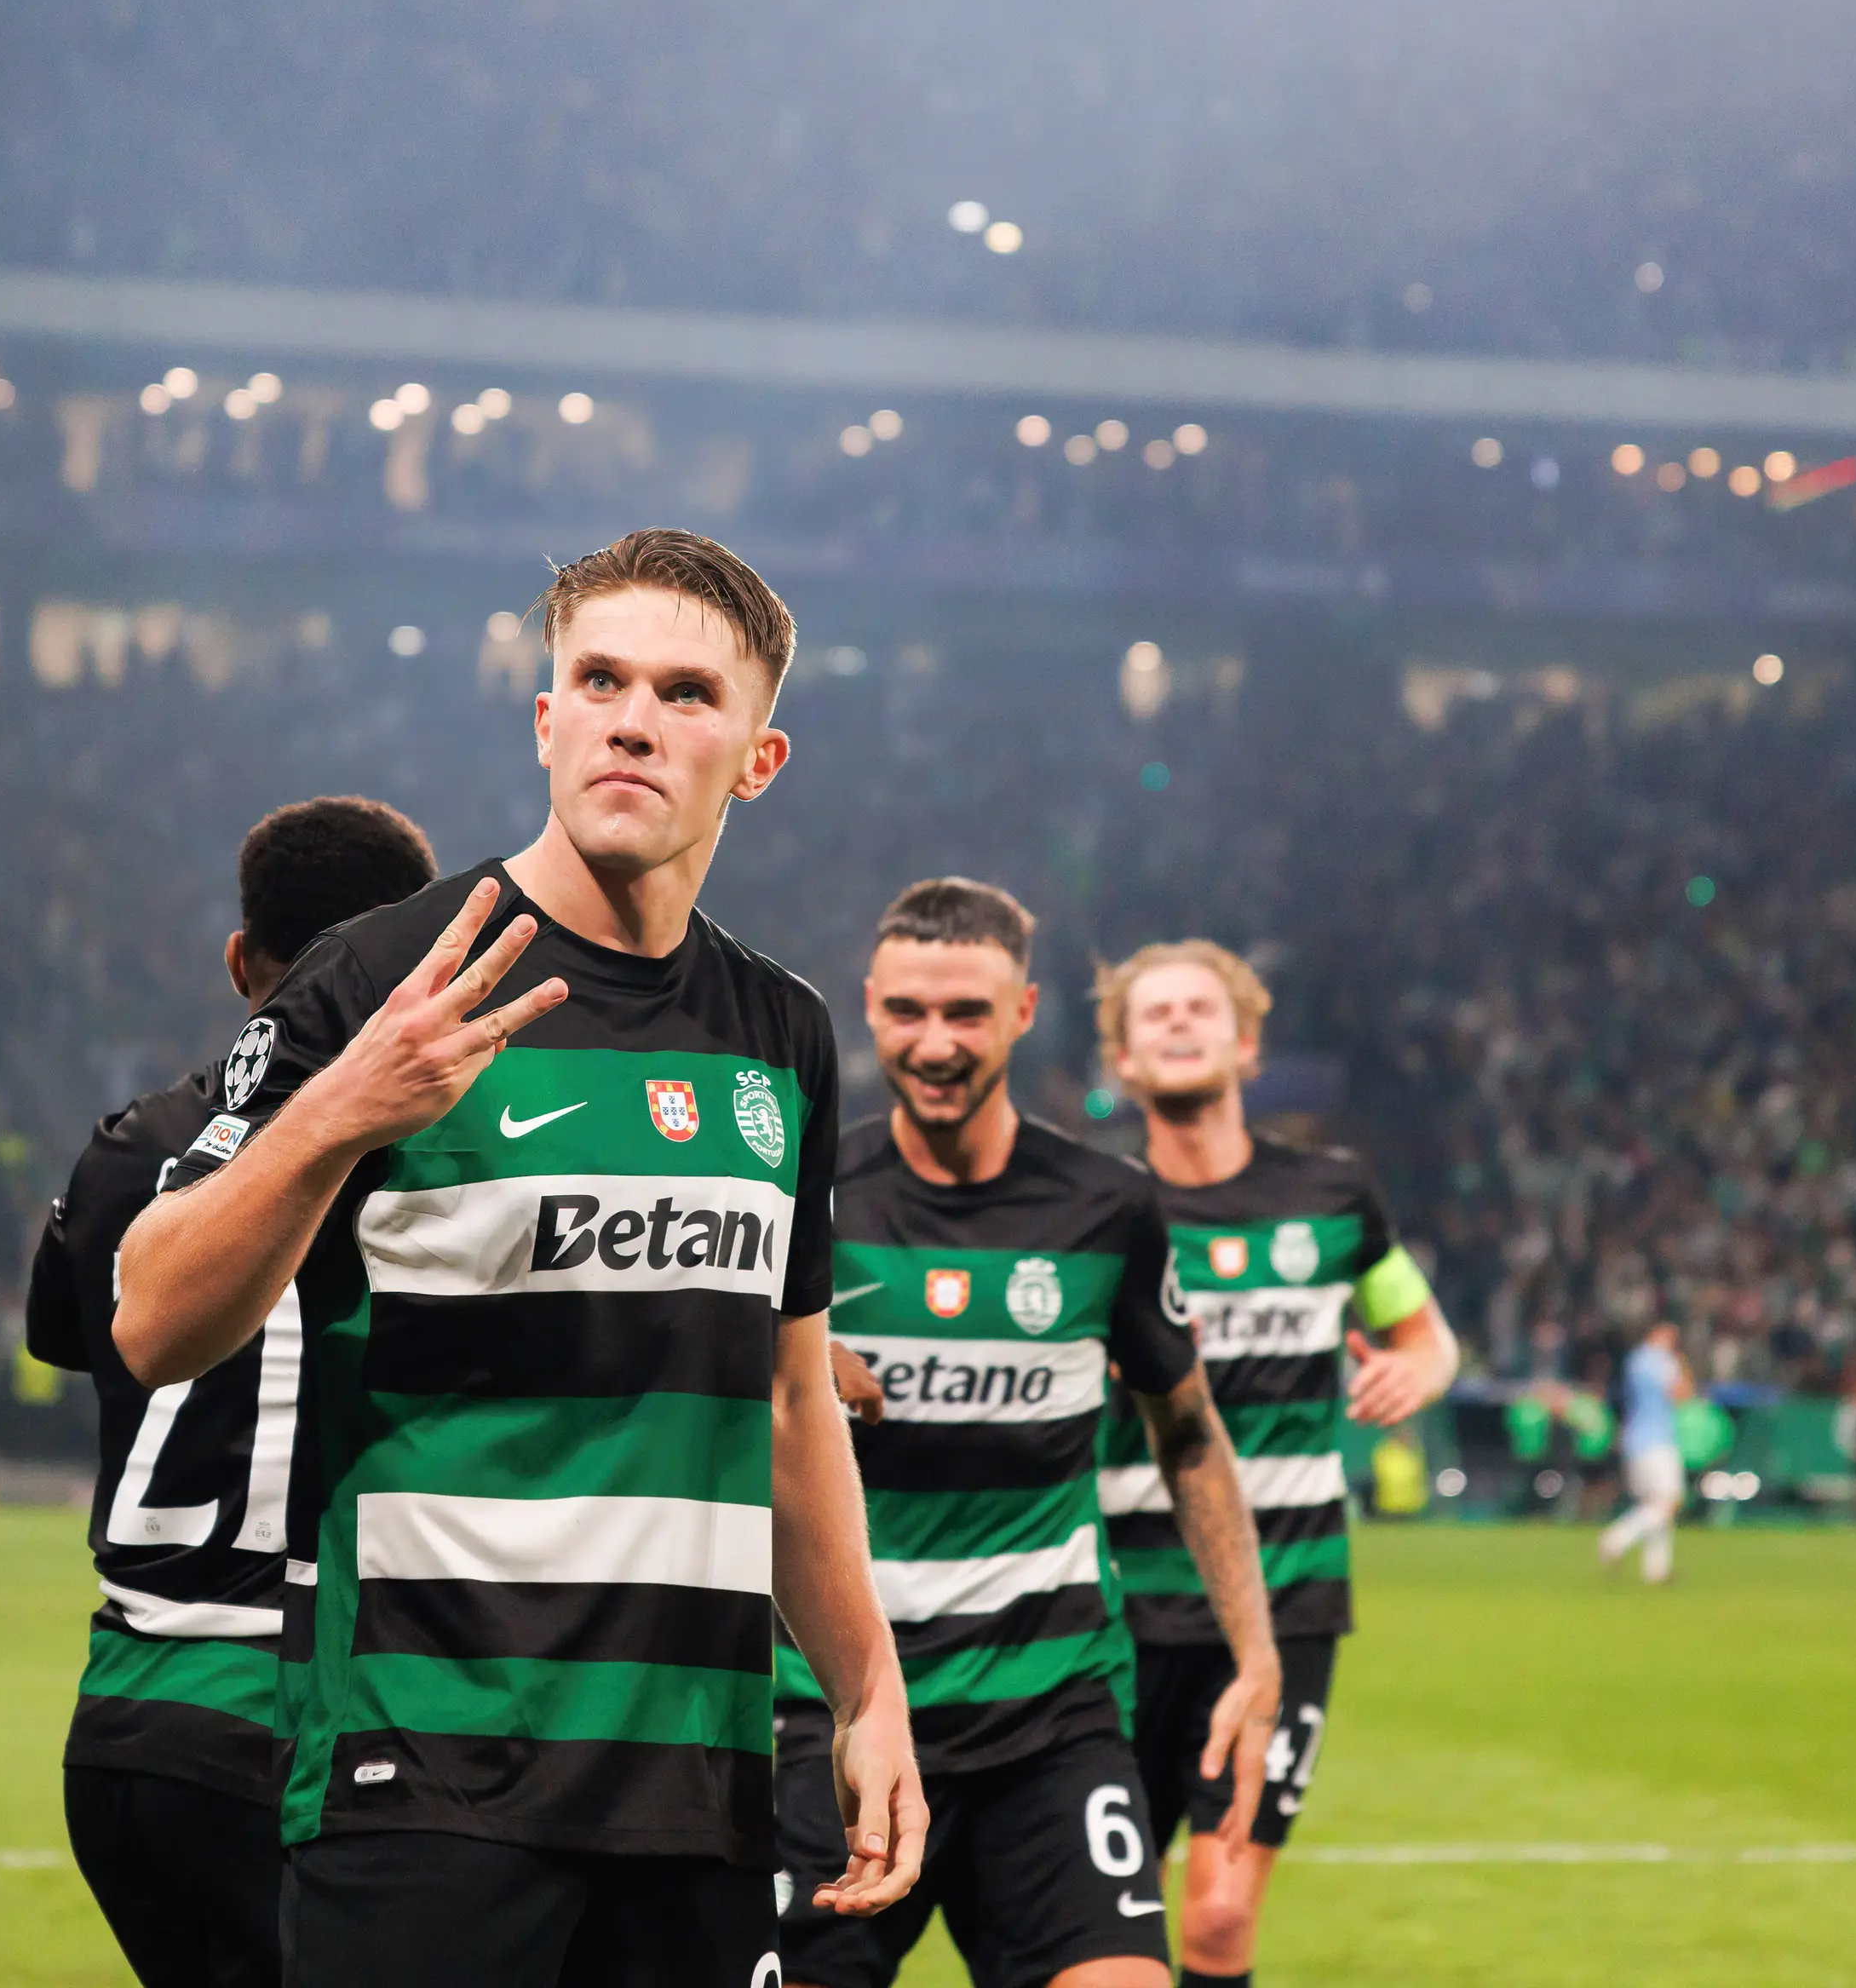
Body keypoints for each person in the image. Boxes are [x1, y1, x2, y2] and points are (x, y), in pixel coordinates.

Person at [113, 530, 926, 1987]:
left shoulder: (781, 1032)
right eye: (598, 680)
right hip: (425, 1774)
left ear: (758, 756)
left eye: (687, 693)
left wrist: (870, 1693)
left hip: (698, 1778)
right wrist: (340, 1113)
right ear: (546, 720)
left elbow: (793, 1406)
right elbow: (155, 1316)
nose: (633, 718)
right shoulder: (383, 976)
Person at [781, 883, 1279, 1988]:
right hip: (833, 1720)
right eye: (908, 1012)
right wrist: (779, 1358)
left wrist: (1256, 1653)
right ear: (868, 1008)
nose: (936, 1043)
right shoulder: (804, 1203)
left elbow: (1188, 1435)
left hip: (1051, 1724)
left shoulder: (1107, 1207)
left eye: (968, 1013)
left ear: (1023, 1013)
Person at [24, 797, 440, 1988]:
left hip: (121, 1729)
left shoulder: (126, 1148)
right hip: (302, 1721)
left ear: (238, 962)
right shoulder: (435, 1158)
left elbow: (71, 1334)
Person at [1091, 940, 1458, 1988]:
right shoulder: (1092, 1208)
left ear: (1246, 1043)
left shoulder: (1333, 1198)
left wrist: (1415, 1372)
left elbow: (1426, 1333)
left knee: (1214, 1918)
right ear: (1120, 1060)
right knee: (1105, 1926)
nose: (1175, 1022)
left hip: (1285, 1603)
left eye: (1199, 1006)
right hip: (1115, 1612)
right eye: (1151, 1013)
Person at [1598, 1322, 1693, 1583]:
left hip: (1634, 1440)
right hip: (1658, 1440)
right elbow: (1682, 1395)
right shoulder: (1664, 1361)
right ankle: (1615, 1539)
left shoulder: (1635, 1360)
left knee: (1653, 1504)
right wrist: (1683, 1367)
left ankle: (1657, 1569)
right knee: (1669, 1502)